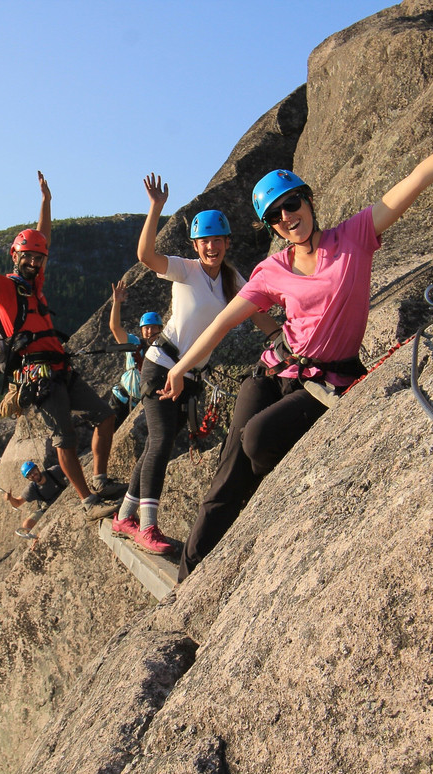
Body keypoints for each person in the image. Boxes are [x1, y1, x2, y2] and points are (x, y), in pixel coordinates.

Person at [162, 78, 433, 581]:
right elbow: (225, 321)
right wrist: (180, 367)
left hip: (329, 378)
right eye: (276, 215)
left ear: (309, 200)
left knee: (256, 440)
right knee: (227, 473)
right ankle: (189, 575)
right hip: (276, 369)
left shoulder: (355, 236)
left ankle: (258, 512)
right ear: (271, 226)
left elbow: (419, 177)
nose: (288, 216)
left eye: (293, 203)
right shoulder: (272, 270)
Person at [0, 172, 123, 521]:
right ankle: (88, 502)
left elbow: (42, 238)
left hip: (60, 369)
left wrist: (46, 201)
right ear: (15, 256)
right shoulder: (5, 289)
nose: (34, 262)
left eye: (39, 259)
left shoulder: (35, 286)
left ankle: (99, 479)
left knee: (106, 415)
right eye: (28, 257)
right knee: (64, 439)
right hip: (38, 377)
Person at [111, 173, 279, 555]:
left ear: (227, 243)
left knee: (157, 443)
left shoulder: (232, 279)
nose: (211, 247)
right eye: (205, 241)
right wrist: (155, 208)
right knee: (160, 441)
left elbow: (255, 311)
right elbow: (145, 256)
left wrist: (279, 338)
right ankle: (147, 527)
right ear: (196, 245)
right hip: (161, 365)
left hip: (189, 376)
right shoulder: (185, 269)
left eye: (218, 240)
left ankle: (124, 516)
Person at [106, 278, 163, 426]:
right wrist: (116, 303)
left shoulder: (163, 350)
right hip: (121, 398)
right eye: (146, 328)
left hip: (140, 404)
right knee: (109, 431)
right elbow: (115, 327)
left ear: (160, 329)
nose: (149, 331)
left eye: (153, 327)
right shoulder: (134, 343)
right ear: (142, 330)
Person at [3, 460, 67, 537]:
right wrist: (10, 498)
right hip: (48, 507)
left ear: (37, 468)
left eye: (33, 471)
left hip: (66, 495)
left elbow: (72, 469)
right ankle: (38, 539)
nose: (33, 474)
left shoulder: (54, 471)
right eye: (29, 474)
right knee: (26, 525)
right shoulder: (32, 489)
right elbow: (17, 503)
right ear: (28, 478)